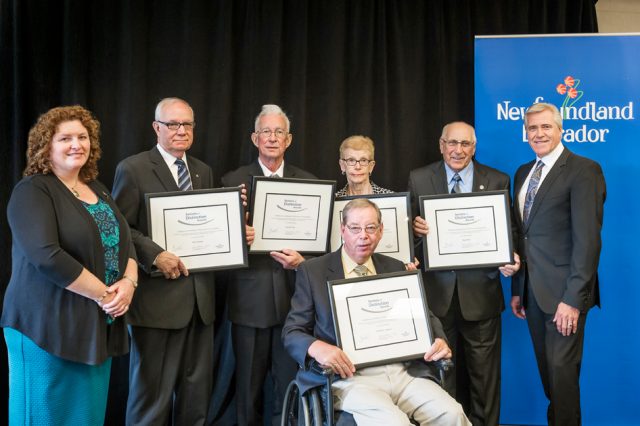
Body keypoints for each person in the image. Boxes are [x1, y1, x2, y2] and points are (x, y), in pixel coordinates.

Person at [1, 105, 137, 425]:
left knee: (85, 417)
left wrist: (129, 283)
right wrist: (105, 295)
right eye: (65, 138)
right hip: (44, 326)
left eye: (83, 137)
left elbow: (125, 242)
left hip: (94, 327)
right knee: (44, 416)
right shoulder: (33, 190)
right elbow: (46, 256)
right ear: (46, 145)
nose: (77, 144)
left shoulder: (97, 189)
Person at [283, 198, 470, 425]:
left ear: (381, 231)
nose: (363, 236)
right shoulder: (313, 271)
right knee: (395, 423)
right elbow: (292, 332)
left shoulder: (395, 267)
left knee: (452, 414)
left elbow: (424, 317)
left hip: (403, 373)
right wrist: (318, 348)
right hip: (350, 377)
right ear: (343, 230)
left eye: (371, 228)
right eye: (355, 228)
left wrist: (439, 339)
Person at [112, 97, 216, 425]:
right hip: (157, 304)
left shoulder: (202, 170)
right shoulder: (133, 168)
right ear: (156, 127)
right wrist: (154, 254)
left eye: (187, 124)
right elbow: (120, 228)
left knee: (195, 401)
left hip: (200, 303)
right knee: (151, 403)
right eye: (173, 124)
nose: (181, 130)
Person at [408, 121, 520, 426]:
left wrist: (510, 256)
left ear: (474, 147)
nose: (458, 150)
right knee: (441, 379)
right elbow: (407, 236)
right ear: (441, 145)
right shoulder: (419, 178)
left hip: (481, 295)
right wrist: (415, 232)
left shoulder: (497, 179)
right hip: (437, 298)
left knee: (485, 381)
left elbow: (509, 231)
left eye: (465, 144)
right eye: (452, 143)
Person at [510, 103, 605, 426]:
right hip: (532, 293)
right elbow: (522, 235)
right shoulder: (523, 172)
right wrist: (517, 288)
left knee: (563, 377)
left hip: (565, 295)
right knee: (550, 376)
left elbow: (588, 241)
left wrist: (573, 300)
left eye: (545, 127)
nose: (538, 134)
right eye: (532, 128)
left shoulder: (583, 169)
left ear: (560, 129)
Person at [221, 104, 316, 425]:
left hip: (296, 303)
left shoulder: (310, 183)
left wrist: (304, 262)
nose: (272, 138)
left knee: (289, 386)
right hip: (249, 301)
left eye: (279, 132)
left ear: (288, 139)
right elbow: (220, 242)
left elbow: (322, 246)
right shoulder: (232, 181)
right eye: (266, 132)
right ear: (255, 138)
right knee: (248, 388)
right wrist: (239, 236)